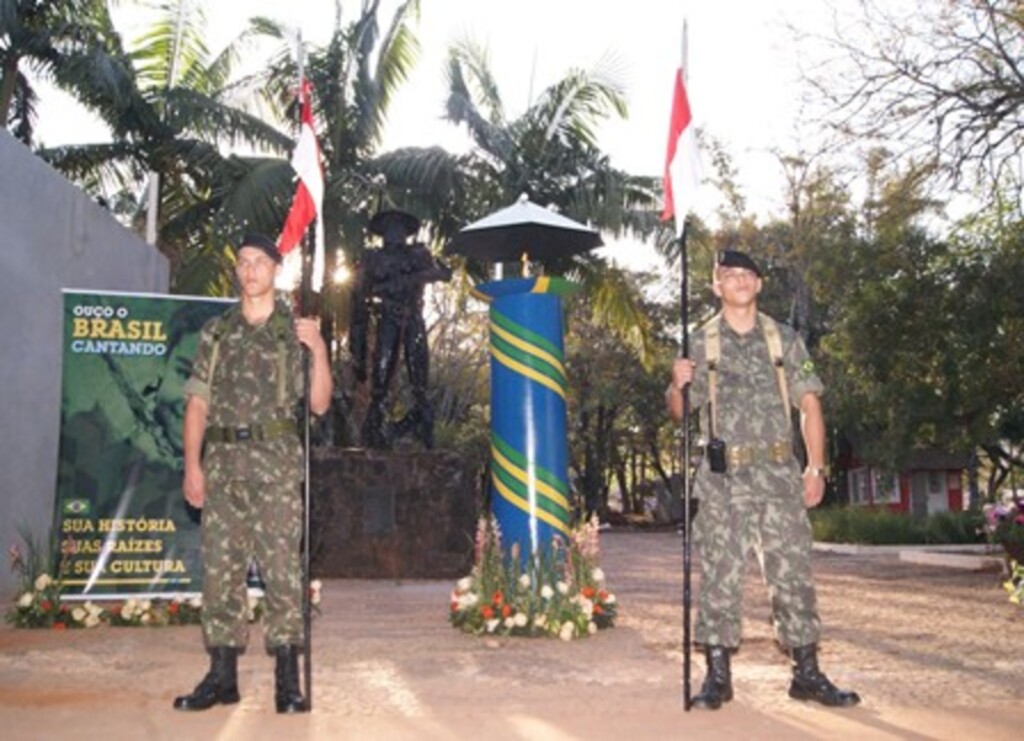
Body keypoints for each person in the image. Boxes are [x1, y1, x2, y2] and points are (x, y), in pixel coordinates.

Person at [666, 249, 859, 710]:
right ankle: (718, 676)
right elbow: (679, 413)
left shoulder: (784, 339)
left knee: (792, 572)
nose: (739, 280)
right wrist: (677, 384)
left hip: (777, 476)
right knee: (719, 576)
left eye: (746, 274)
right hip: (722, 479)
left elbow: (810, 405)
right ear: (716, 286)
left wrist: (816, 467)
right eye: (729, 275)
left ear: (758, 284)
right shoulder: (700, 342)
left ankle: (807, 674)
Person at [173, 232, 332, 713]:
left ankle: (287, 680)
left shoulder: (294, 331)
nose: (249, 271)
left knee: (283, 572)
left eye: (259, 262)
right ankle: (222, 677)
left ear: (276, 269)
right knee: (220, 573)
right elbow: (197, 404)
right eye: (242, 262)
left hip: (277, 468)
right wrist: (192, 466)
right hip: (223, 469)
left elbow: (320, 404)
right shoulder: (217, 332)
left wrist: (320, 349)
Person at [349, 209, 451, 449]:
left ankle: (421, 428)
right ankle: (376, 428)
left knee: (419, 374)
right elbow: (360, 297)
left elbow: (440, 274)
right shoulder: (373, 258)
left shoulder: (418, 255)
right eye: (389, 228)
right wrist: (358, 352)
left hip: (413, 317)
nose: (394, 233)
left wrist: (419, 277)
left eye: (399, 228)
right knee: (381, 373)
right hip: (388, 316)